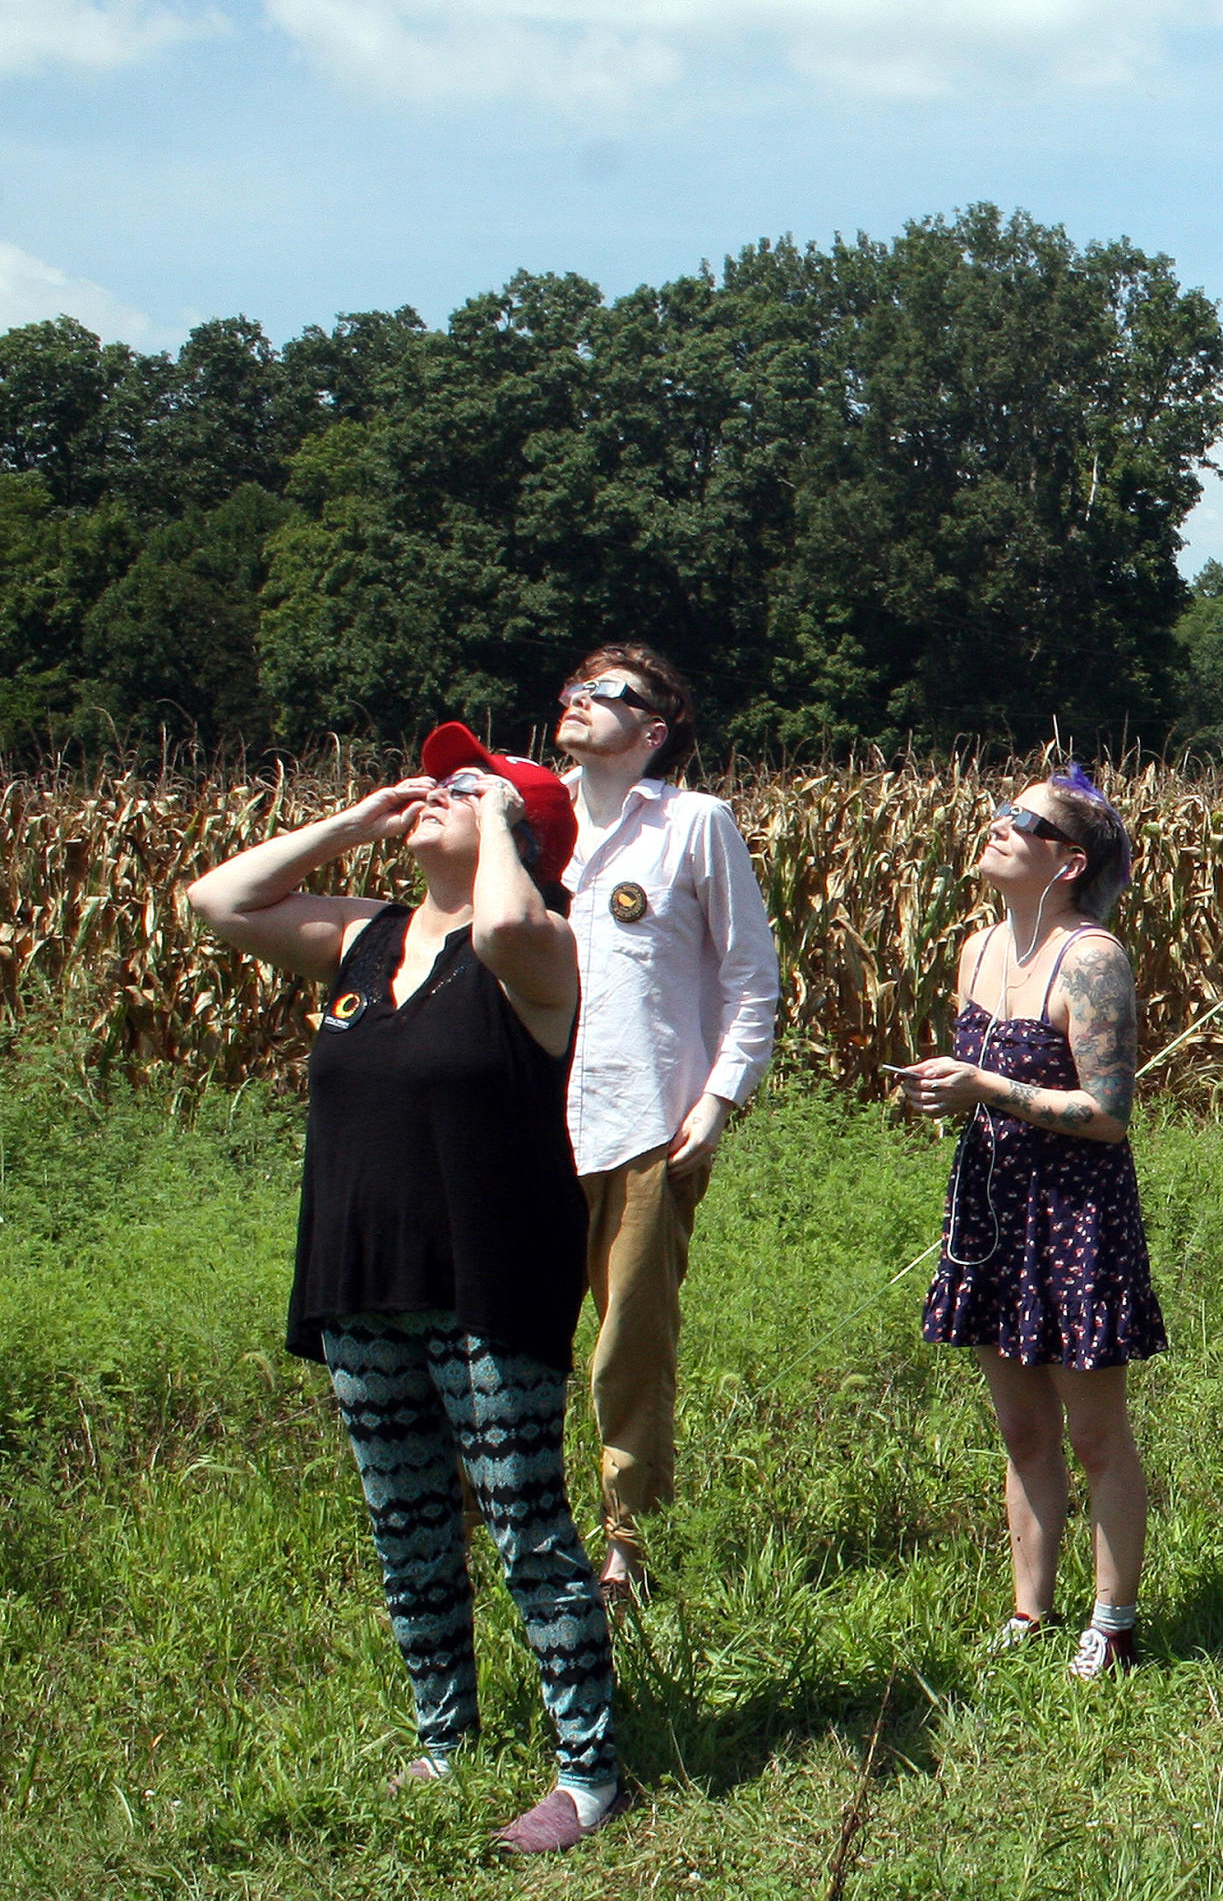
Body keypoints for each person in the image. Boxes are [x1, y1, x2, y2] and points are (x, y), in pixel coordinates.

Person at [183, 724, 620, 1854]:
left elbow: (515, 915)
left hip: (489, 1278)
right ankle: (445, 1741)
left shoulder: (538, 948)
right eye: (434, 782)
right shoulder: (364, 938)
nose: (434, 792)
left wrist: (499, 835)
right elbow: (214, 902)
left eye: (466, 787)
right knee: (407, 1522)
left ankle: (587, 1773)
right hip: (359, 1279)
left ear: (519, 833)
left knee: (526, 1524)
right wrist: (348, 824)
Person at [897, 765, 1163, 1681]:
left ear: (1067, 862)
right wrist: (950, 1098)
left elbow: (1111, 1113)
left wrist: (988, 1088)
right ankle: (1030, 1609)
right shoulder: (975, 949)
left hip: (1074, 1216)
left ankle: (1115, 1623)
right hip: (989, 1205)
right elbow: (983, 1090)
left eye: (1026, 822)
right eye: (1003, 813)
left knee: (1094, 1433)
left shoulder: (1092, 959)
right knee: (1019, 1429)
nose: (999, 827)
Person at [551, 645, 781, 1609]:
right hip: (528, 1121)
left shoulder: (694, 825)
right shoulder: (529, 820)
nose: (579, 702)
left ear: (652, 732)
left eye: (608, 695)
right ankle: (514, 1523)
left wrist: (719, 1102)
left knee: (629, 1347)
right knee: (513, 1337)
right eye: (575, 688)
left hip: (650, 1123)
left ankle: (624, 1546)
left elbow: (749, 979)